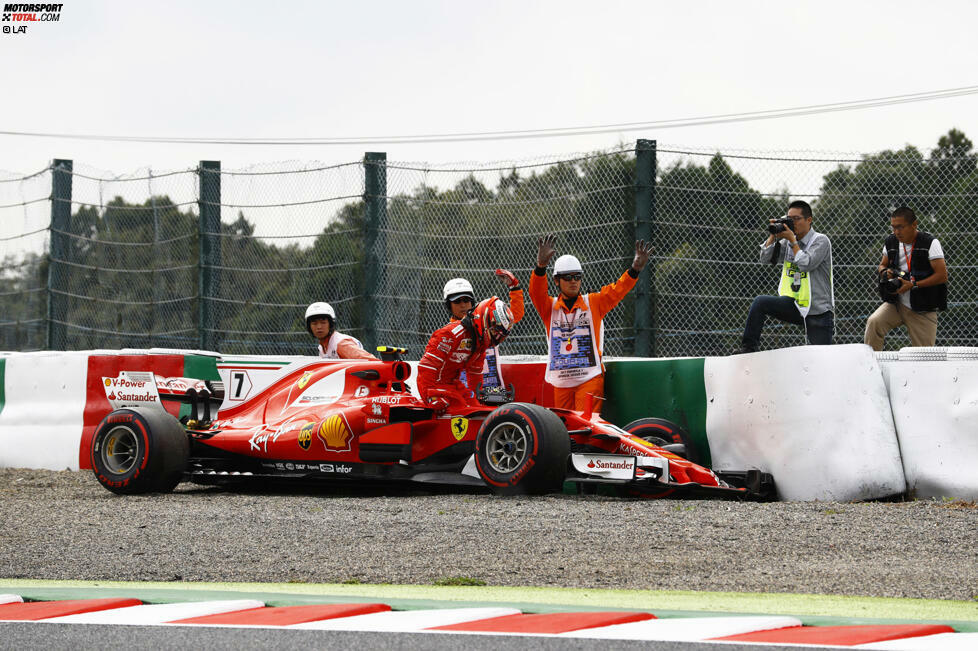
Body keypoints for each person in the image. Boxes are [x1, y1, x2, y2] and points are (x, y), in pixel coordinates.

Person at [530, 234, 653, 413]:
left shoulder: (593, 303)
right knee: (564, 427)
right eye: (568, 277)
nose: (573, 281)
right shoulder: (549, 307)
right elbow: (536, 293)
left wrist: (634, 270)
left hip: (589, 378)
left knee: (586, 426)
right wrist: (541, 267)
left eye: (577, 277)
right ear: (557, 281)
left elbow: (617, 290)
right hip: (562, 381)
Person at [740, 200, 834, 352]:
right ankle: (748, 348)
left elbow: (806, 263)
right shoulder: (787, 241)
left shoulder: (821, 241)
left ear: (809, 220)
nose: (793, 223)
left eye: (796, 219)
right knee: (760, 302)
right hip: (795, 305)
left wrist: (792, 241)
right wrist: (773, 235)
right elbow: (765, 259)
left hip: (818, 311)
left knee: (821, 359)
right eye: (789, 219)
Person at [864, 206, 947, 350]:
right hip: (896, 302)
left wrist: (913, 284)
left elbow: (942, 275)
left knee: (925, 355)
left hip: (923, 307)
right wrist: (885, 272)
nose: (896, 232)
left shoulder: (930, 243)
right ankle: (871, 366)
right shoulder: (891, 241)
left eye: (900, 227)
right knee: (874, 322)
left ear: (914, 224)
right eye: (893, 227)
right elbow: (882, 264)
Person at [417, 296, 515, 411]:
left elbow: (475, 374)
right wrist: (431, 396)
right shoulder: (450, 334)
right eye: (495, 331)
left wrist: (480, 397)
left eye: (500, 336)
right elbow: (426, 367)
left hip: (453, 385)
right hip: (433, 387)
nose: (496, 337)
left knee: (478, 409)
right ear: (484, 320)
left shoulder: (480, 343)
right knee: (461, 410)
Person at [442, 271, 524, 391]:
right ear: (449, 305)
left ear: (472, 302)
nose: (463, 305)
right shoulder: (448, 334)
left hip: (493, 388)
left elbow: (513, 316)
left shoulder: (487, 321)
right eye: (457, 301)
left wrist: (514, 288)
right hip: (464, 392)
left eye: (466, 300)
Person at [304, 302, 377, 360]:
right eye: (314, 323)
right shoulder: (322, 347)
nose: (319, 327)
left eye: (323, 322)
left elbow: (372, 362)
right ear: (309, 327)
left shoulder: (341, 344)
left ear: (331, 324)